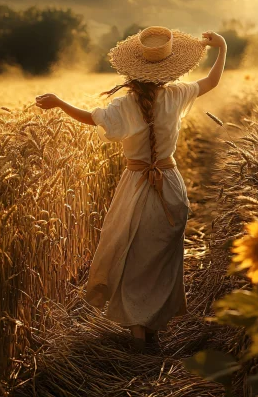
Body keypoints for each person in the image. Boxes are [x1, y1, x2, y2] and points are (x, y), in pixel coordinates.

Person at [35, 26, 227, 351]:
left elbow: (90, 118)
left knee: (134, 257)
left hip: (136, 188)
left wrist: (58, 102)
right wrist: (221, 48)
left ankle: (138, 332)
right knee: (163, 259)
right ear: (170, 69)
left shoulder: (124, 106)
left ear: (133, 70)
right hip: (170, 188)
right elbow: (211, 82)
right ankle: (154, 326)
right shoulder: (178, 94)